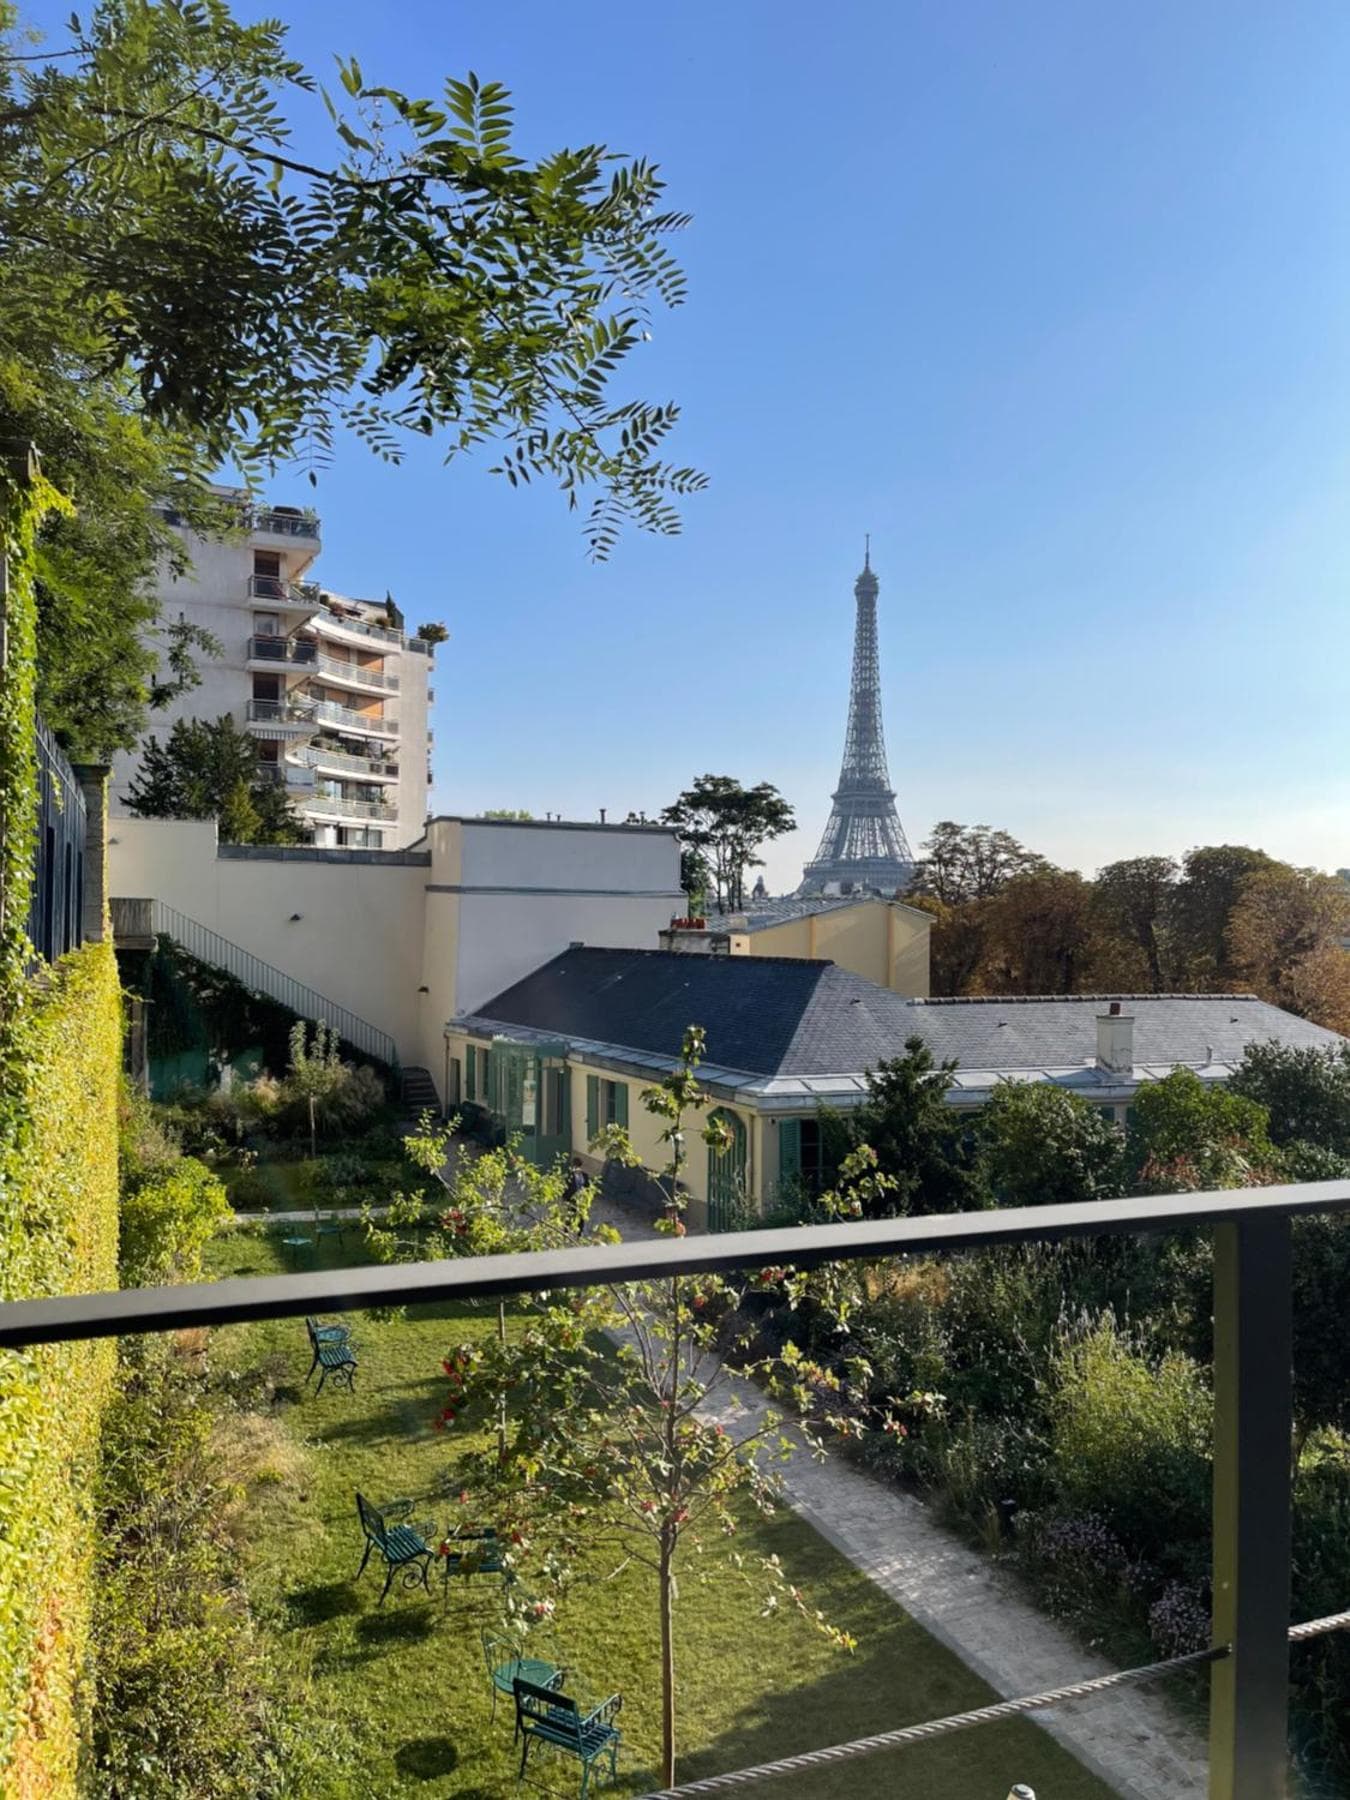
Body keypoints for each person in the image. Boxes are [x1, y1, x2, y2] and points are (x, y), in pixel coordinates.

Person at [565, 1157, 590, 1235]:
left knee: (579, 1216)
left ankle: (578, 1232)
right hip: (574, 1198)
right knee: (572, 1215)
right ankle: (567, 1231)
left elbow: (587, 1187)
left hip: (579, 1199)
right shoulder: (571, 1176)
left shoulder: (584, 1175)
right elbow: (566, 1188)